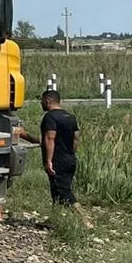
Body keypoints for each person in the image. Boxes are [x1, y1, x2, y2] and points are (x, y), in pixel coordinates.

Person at [38, 90, 91, 228]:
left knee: (63, 191)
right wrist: (70, 153)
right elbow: (76, 138)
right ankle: (54, 220)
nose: (41, 103)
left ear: (48, 101)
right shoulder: (70, 117)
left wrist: (49, 160)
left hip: (57, 160)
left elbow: (50, 138)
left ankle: (84, 219)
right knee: (56, 190)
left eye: (42, 100)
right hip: (70, 159)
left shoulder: (50, 118)